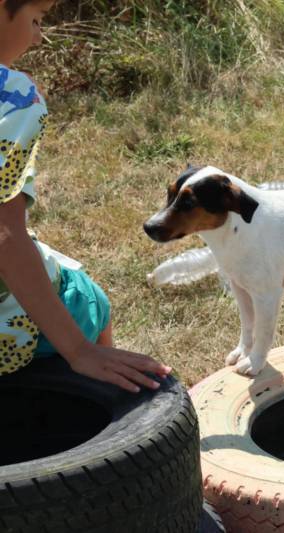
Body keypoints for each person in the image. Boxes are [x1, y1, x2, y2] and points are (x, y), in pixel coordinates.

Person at [0, 0, 171, 392]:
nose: (38, 36)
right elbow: (5, 235)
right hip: (9, 335)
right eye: (36, 20)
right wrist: (79, 350)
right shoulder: (14, 95)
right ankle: (101, 406)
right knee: (87, 298)